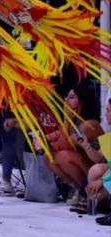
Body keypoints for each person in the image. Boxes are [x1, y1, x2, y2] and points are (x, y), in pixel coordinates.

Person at [37, 79, 102, 212]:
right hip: (86, 165)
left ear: (82, 103)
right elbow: (57, 135)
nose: (65, 100)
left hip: (98, 169)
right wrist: (39, 140)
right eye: (67, 96)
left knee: (63, 155)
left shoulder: (90, 124)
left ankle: (84, 188)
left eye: (71, 97)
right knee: (48, 157)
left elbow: (64, 144)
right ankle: (76, 188)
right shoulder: (75, 120)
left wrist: (66, 119)